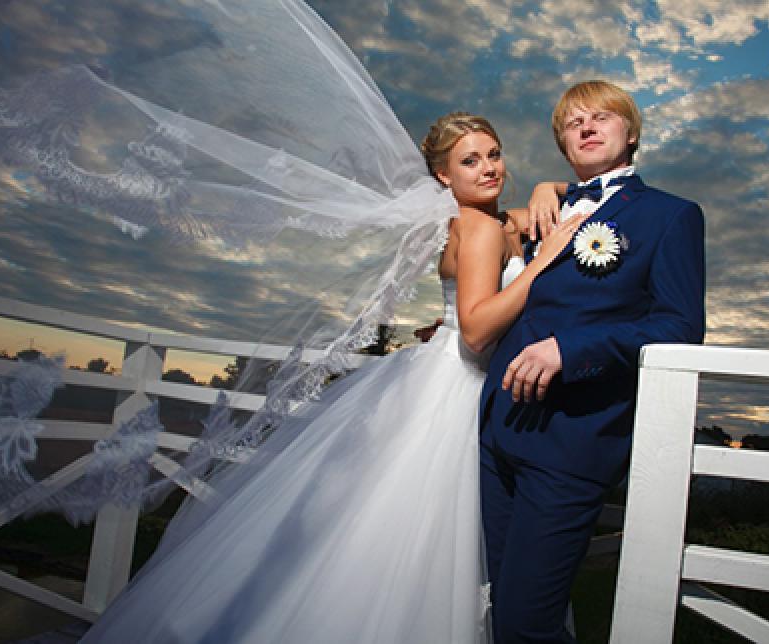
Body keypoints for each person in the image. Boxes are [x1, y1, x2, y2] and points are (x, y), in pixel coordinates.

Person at [80, 112, 584, 643]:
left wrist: (548, 187)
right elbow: (478, 330)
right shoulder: (480, 228)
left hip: (439, 373)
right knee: (432, 539)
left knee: (370, 529)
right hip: (459, 386)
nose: (489, 169)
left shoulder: (485, 221)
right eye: (470, 160)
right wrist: (541, 264)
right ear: (443, 175)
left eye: (494, 154)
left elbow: (580, 198)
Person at [478, 80, 706, 643]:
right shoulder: (545, 212)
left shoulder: (670, 216)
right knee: (496, 606)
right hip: (496, 433)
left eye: (601, 116)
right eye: (572, 122)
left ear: (631, 133)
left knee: (528, 624)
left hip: (570, 440)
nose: (586, 127)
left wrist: (573, 349)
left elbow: (680, 328)